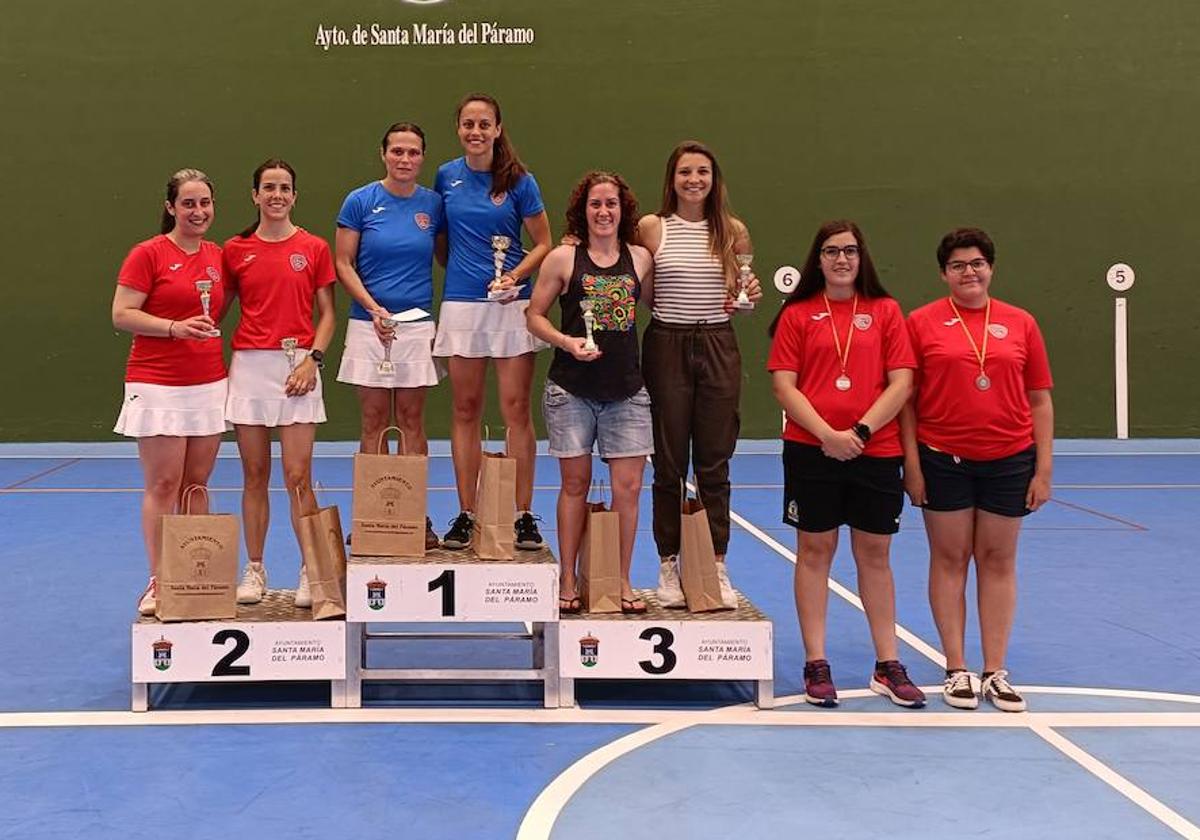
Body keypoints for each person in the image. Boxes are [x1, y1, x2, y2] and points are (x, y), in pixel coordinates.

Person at [767, 219, 925, 708]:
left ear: (862, 259)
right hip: (811, 449)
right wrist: (827, 436)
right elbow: (784, 386)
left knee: (875, 555)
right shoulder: (797, 314)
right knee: (815, 551)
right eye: (832, 251)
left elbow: (901, 383)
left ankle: (887, 663)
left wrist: (857, 434)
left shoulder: (885, 311)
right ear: (817, 260)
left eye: (850, 251)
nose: (841, 260)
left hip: (874, 452)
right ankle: (817, 662)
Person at [901, 227, 1054, 712]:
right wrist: (912, 464)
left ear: (990, 267)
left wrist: (1043, 469)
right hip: (942, 459)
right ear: (944, 273)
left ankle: (995, 670)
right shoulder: (921, 322)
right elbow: (907, 402)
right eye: (958, 265)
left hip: (1010, 460)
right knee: (949, 560)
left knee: (998, 560)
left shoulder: (1021, 323)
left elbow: (1040, 400)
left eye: (977, 263)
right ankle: (956, 669)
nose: (969, 272)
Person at [526, 171, 655, 613]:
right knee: (575, 484)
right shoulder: (563, 258)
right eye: (595, 204)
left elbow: (661, 305)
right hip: (571, 390)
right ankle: (568, 577)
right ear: (584, 210)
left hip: (627, 392)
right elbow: (535, 315)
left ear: (624, 210)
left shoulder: (640, 258)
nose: (604, 211)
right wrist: (566, 343)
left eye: (611, 204)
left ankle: (619, 579)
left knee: (629, 488)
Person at [640, 141, 760, 610]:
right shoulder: (652, 228)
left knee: (714, 464)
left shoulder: (733, 231)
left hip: (718, 344)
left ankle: (715, 565)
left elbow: (741, 293)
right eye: (685, 172)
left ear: (715, 179)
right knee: (668, 465)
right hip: (666, 343)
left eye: (703, 172)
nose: (694, 180)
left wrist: (748, 295)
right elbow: (643, 291)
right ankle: (668, 565)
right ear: (672, 179)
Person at [432, 93, 552, 551]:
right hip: (462, 305)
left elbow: (543, 242)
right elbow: (442, 244)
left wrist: (515, 277)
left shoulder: (521, 181)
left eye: (484, 124)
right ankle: (466, 512)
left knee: (515, 410)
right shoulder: (445, 175)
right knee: (464, 410)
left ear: (498, 129)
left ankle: (522, 514)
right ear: (459, 129)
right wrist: (467, 273)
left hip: (511, 306)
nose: (476, 131)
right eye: (468, 124)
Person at [112, 168, 227, 616]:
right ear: (171, 208)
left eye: (205, 203)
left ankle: (198, 577)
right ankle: (161, 580)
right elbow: (121, 313)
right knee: (163, 484)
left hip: (208, 384)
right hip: (156, 383)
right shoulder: (148, 254)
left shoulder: (218, 256)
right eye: (188, 204)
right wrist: (174, 328)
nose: (198, 212)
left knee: (196, 485)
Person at [221, 159, 336, 606]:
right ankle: (255, 570)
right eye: (268, 187)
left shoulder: (313, 247)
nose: (276, 195)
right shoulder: (235, 250)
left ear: (294, 196)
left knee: (297, 475)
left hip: (299, 369)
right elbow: (217, 309)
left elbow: (327, 314)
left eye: (285, 188)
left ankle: (309, 569)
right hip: (249, 368)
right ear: (255, 195)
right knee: (254, 474)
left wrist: (313, 361)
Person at [335, 122, 444, 550]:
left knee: (413, 421)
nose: (404, 159)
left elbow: (454, 252)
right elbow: (344, 263)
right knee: (374, 421)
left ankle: (415, 517)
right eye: (397, 151)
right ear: (383, 153)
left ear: (422, 158)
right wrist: (375, 309)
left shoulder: (433, 205)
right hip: (368, 325)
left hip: (417, 326)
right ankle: (373, 516)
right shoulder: (360, 201)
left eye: (413, 152)